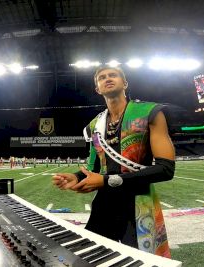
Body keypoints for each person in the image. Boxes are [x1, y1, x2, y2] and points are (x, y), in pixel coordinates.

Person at [52, 66, 175, 258]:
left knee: (141, 260)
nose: (107, 78)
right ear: (97, 89)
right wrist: (75, 177)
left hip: (138, 203)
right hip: (104, 205)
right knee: (92, 258)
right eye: (102, 77)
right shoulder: (94, 126)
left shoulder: (149, 112)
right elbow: (94, 168)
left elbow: (166, 169)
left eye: (113, 75)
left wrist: (106, 181)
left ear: (124, 83)